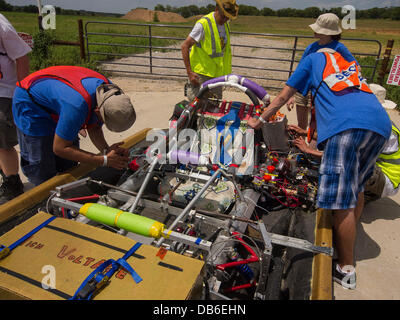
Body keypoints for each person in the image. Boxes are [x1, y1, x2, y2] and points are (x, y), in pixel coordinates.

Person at [248, 48, 392, 290]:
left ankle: (346, 269)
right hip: (379, 125)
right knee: (356, 188)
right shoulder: (347, 62)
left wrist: (258, 121)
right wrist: (307, 134)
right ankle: (345, 236)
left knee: (340, 203)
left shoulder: (312, 59)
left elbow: (282, 97)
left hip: (348, 128)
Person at [12, 65, 136, 187]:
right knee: (42, 165)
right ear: (98, 110)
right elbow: (60, 148)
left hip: (60, 98)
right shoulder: (77, 106)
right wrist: (103, 160)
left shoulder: (109, 93)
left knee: (69, 165)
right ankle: (43, 199)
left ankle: (67, 192)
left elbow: (94, 126)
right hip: (30, 103)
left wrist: (107, 152)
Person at [287, 13, 359, 131]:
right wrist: (290, 94)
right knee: (301, 126)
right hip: (302, 89)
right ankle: (300, 147)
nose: (314, 31)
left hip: (320, 90)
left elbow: (355, 67)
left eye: (318, 28)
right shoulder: (311, 47)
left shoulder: (339, 48)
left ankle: (310, 148)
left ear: (328, 32)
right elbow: (299, 70)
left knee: (315, 126)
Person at [0, 13, 31, 204]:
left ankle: (12, 183)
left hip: (4, 91)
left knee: (3, 140)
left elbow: (21, 57)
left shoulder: (1, 24)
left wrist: (21, 91)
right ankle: (6, 174)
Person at [181, 0, 238, 102]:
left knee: (214, 107)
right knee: (197, 107)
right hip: (201, 76)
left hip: (216, 77)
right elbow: (185, 46)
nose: (225, 19)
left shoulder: (226, 25)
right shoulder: (203, 24)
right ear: (217, 9)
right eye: (223, 16)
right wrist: (189, 72)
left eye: (228, 17)